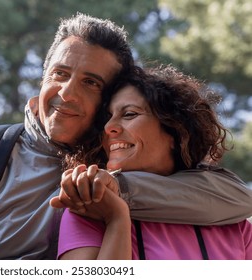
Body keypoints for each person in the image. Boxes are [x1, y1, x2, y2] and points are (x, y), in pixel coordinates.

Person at [0, 13, 252, 260]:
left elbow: (237, 199)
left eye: (90, 82)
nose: (67, 93)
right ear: (43, 79)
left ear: (109, 100)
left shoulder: (127, 159)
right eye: (60, 74)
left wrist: (113, 188)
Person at [57, 65, 252, 260]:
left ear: (176, 133)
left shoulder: (236, 225)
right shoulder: (87, 208)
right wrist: (117, 219)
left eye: (129, 114)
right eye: (108, 118)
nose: (109, 127)